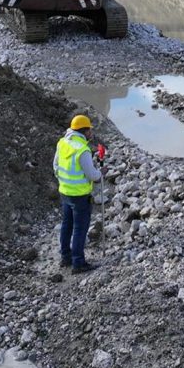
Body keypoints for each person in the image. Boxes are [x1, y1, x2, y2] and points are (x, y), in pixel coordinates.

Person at [54, 114, 103, 273]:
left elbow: (56, 167)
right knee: (79, 228)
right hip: (80, 196)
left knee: (67, 225)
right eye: (89, 130)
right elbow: (92, 175)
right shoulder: (83, 149)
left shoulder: (62, 143)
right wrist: (101, 173)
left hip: (65, 192)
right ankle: (78, 263)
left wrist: (65, 182)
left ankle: (65, 257)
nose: (91, 133)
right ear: (84, 130)